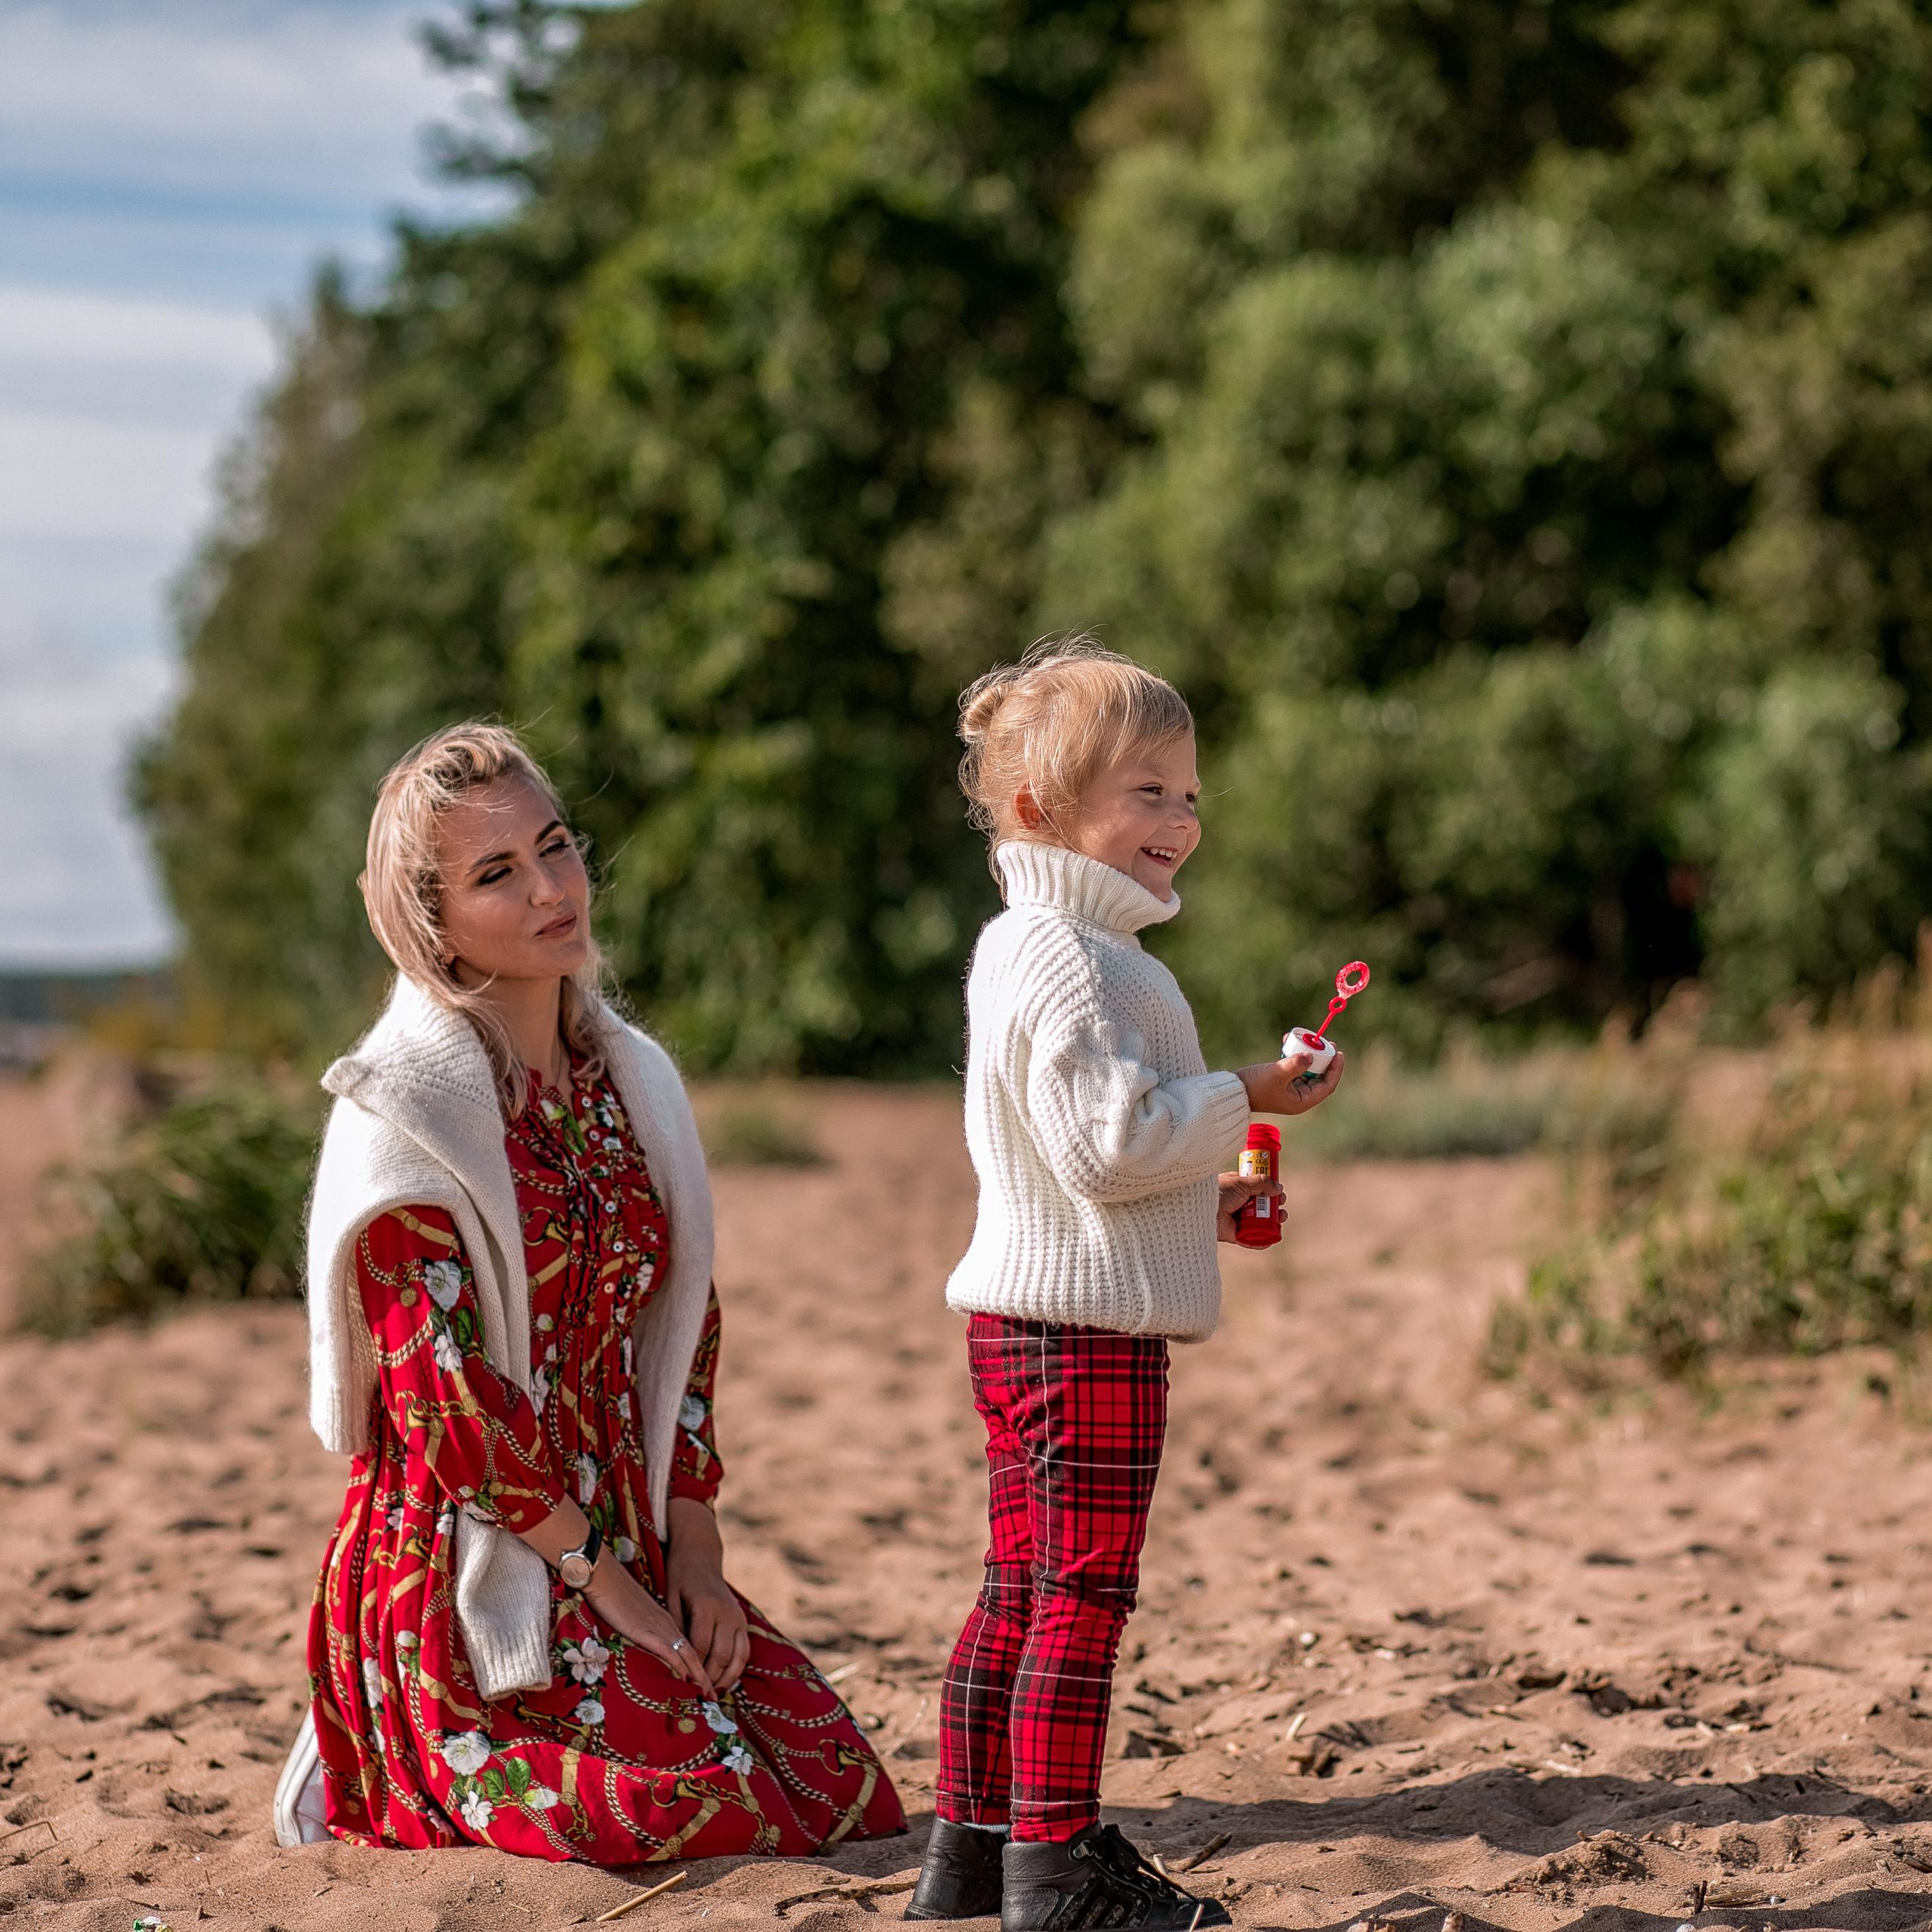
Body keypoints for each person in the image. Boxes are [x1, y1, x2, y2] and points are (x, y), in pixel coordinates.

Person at [273, 723, 904, 1863]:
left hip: (634, 1528)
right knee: (700, 1817)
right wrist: (606, 1587)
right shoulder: (401, 1115)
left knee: (842, 1792)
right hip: (481, 1557)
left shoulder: (632, 1079)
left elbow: (684, 1331)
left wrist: (696, 1563)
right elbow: (445, 1405)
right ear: (432, 921)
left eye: (555, 848)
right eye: (497, 874)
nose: (552, 889)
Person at [907, 641, 1343, 1930]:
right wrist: (1248, 1097)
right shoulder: (1080, 960)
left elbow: (1070, 1158)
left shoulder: (1034, 947)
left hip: (1030, 1319)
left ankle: (971, 1855)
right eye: (1146, 792)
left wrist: (1209, 1195)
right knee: (1081, 1595)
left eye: (1190, 794)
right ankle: (1053, 1870)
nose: (1180, 821)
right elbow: (1110, 1146)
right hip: (1080, 1339)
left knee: (1019, 1588)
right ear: (1043, 809)